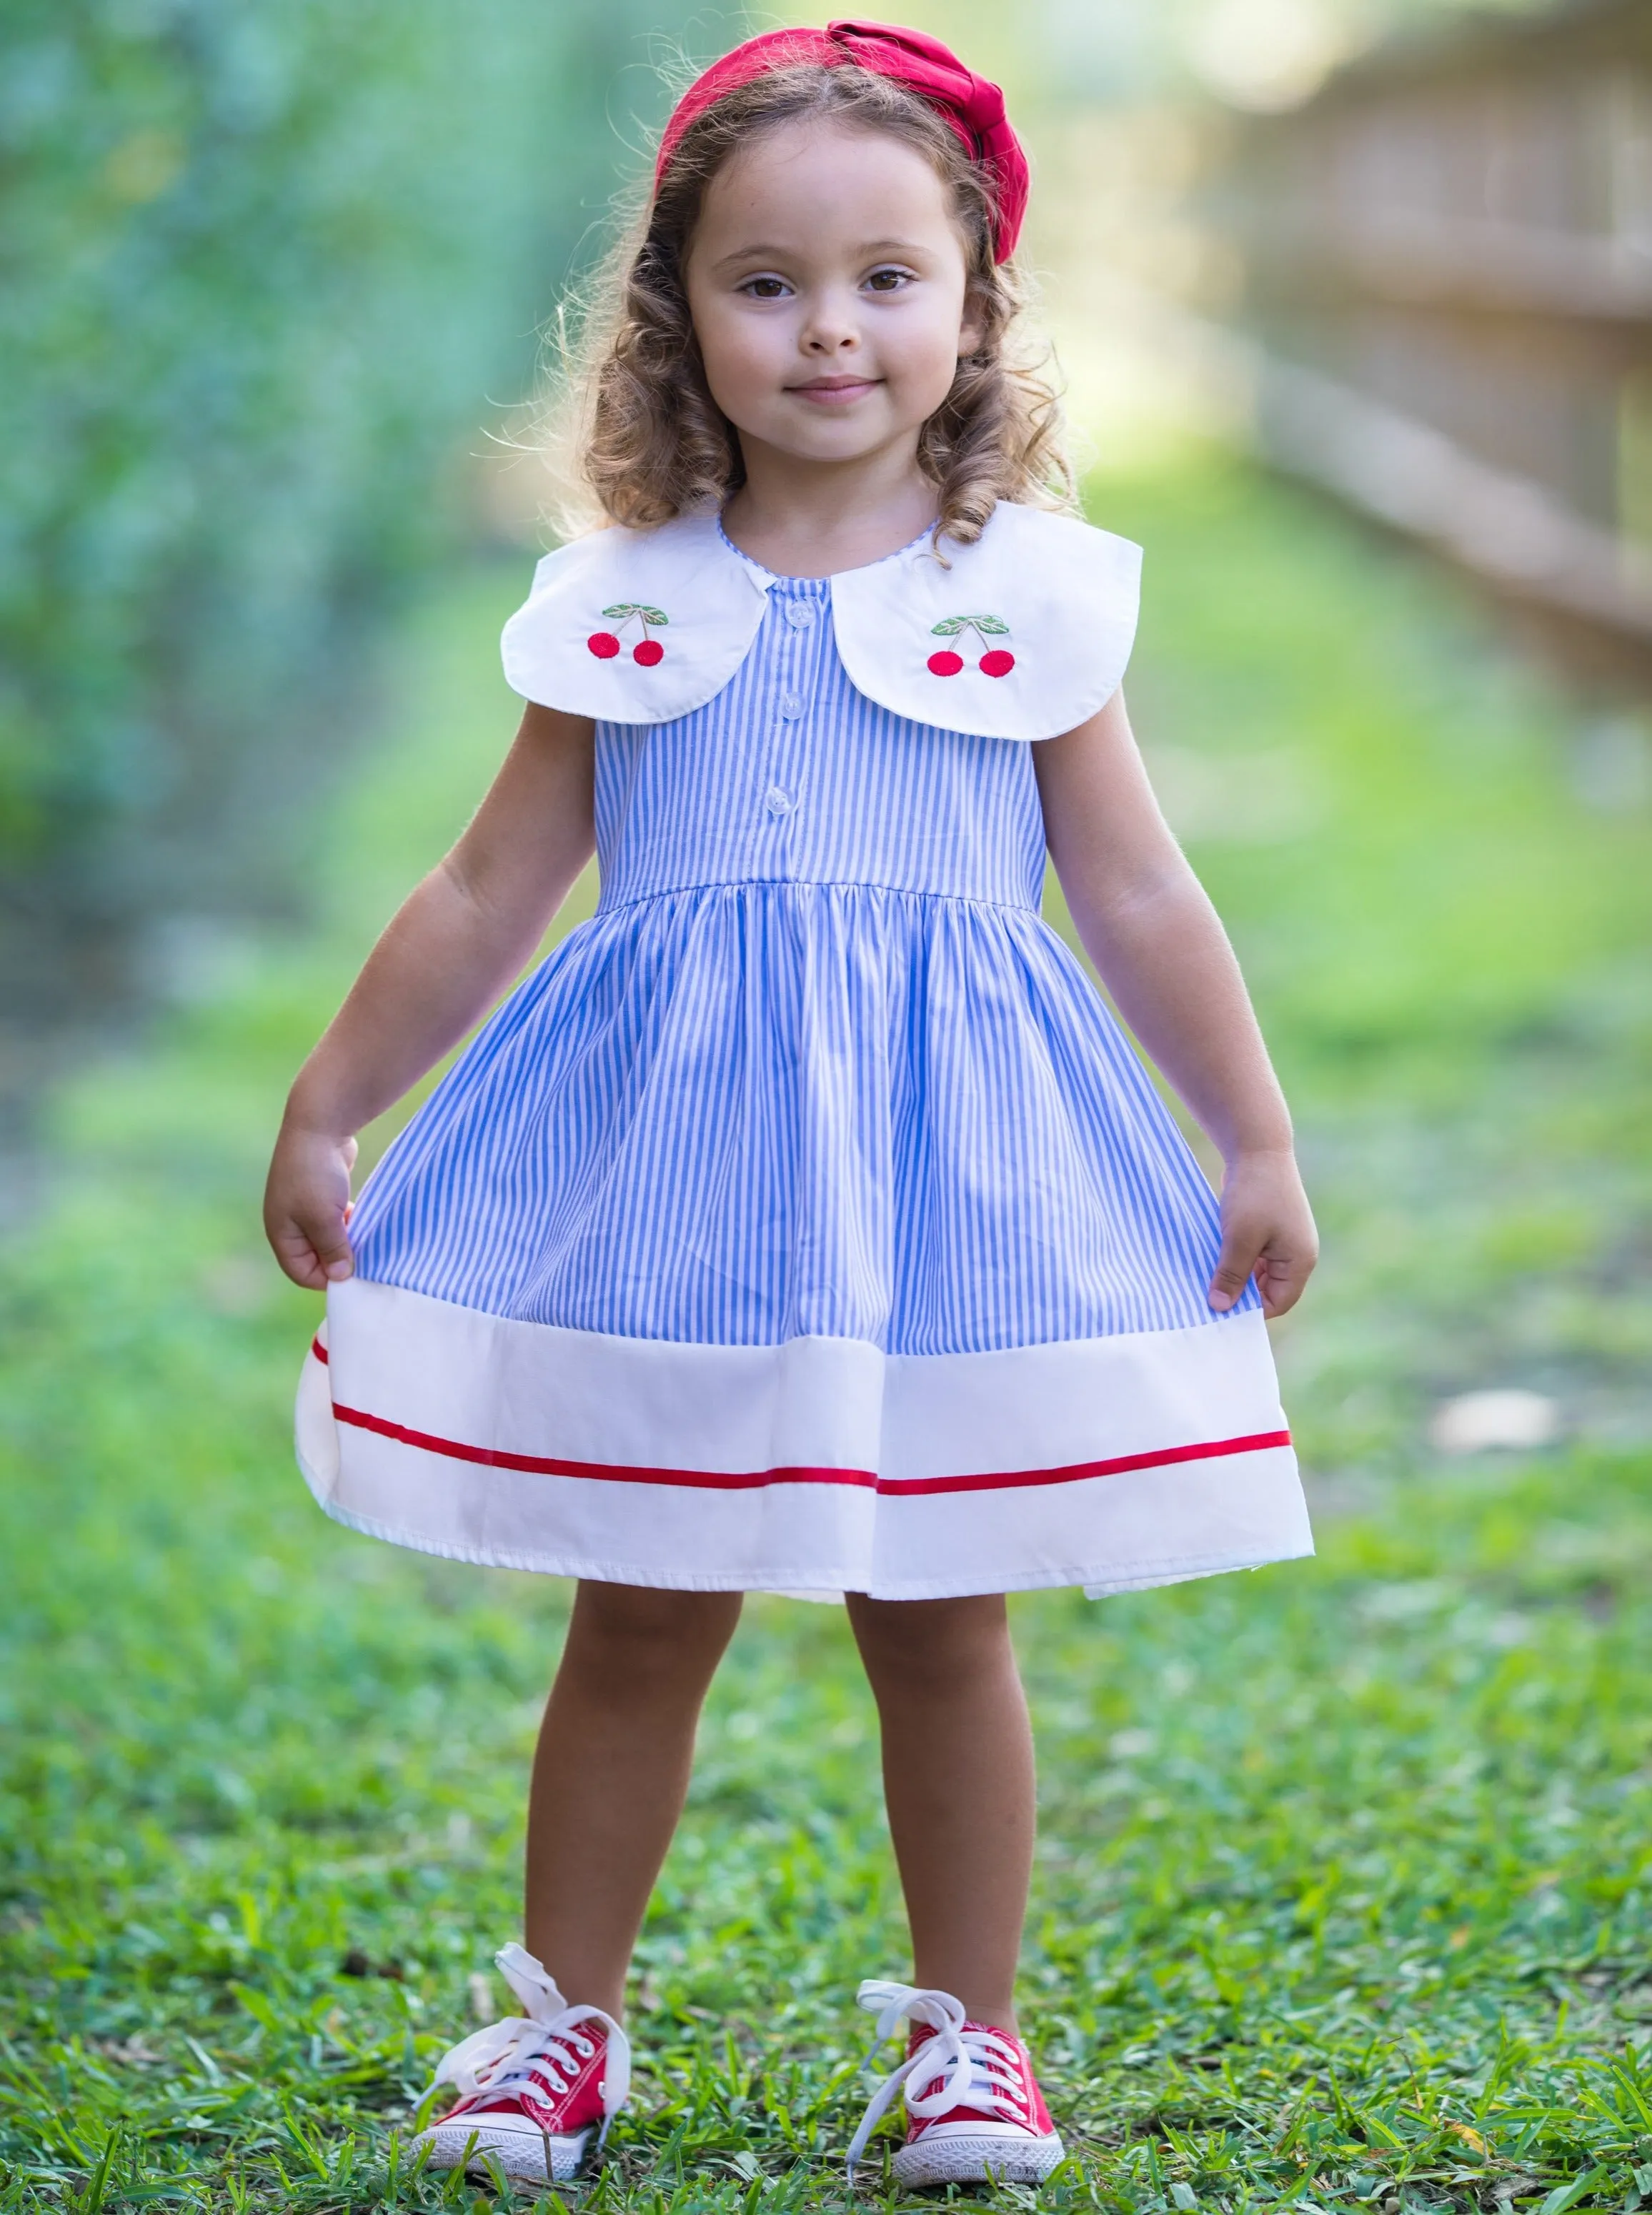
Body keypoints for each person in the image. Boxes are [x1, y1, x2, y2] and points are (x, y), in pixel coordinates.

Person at [264, 19, 1318, 2190]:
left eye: (884, 276)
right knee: (640, 1600)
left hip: (942, 1196)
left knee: (940, 1609)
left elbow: (1134, 888)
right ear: (679, 314)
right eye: (765, 280)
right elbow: (488, 887)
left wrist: (1253, 1132)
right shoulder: (624, 602)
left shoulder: (1024, 598)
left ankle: (973, 2040)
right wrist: (334, 1101)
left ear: (973, 300)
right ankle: (565, 2026)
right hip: (678, 1187)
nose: (828, 326)